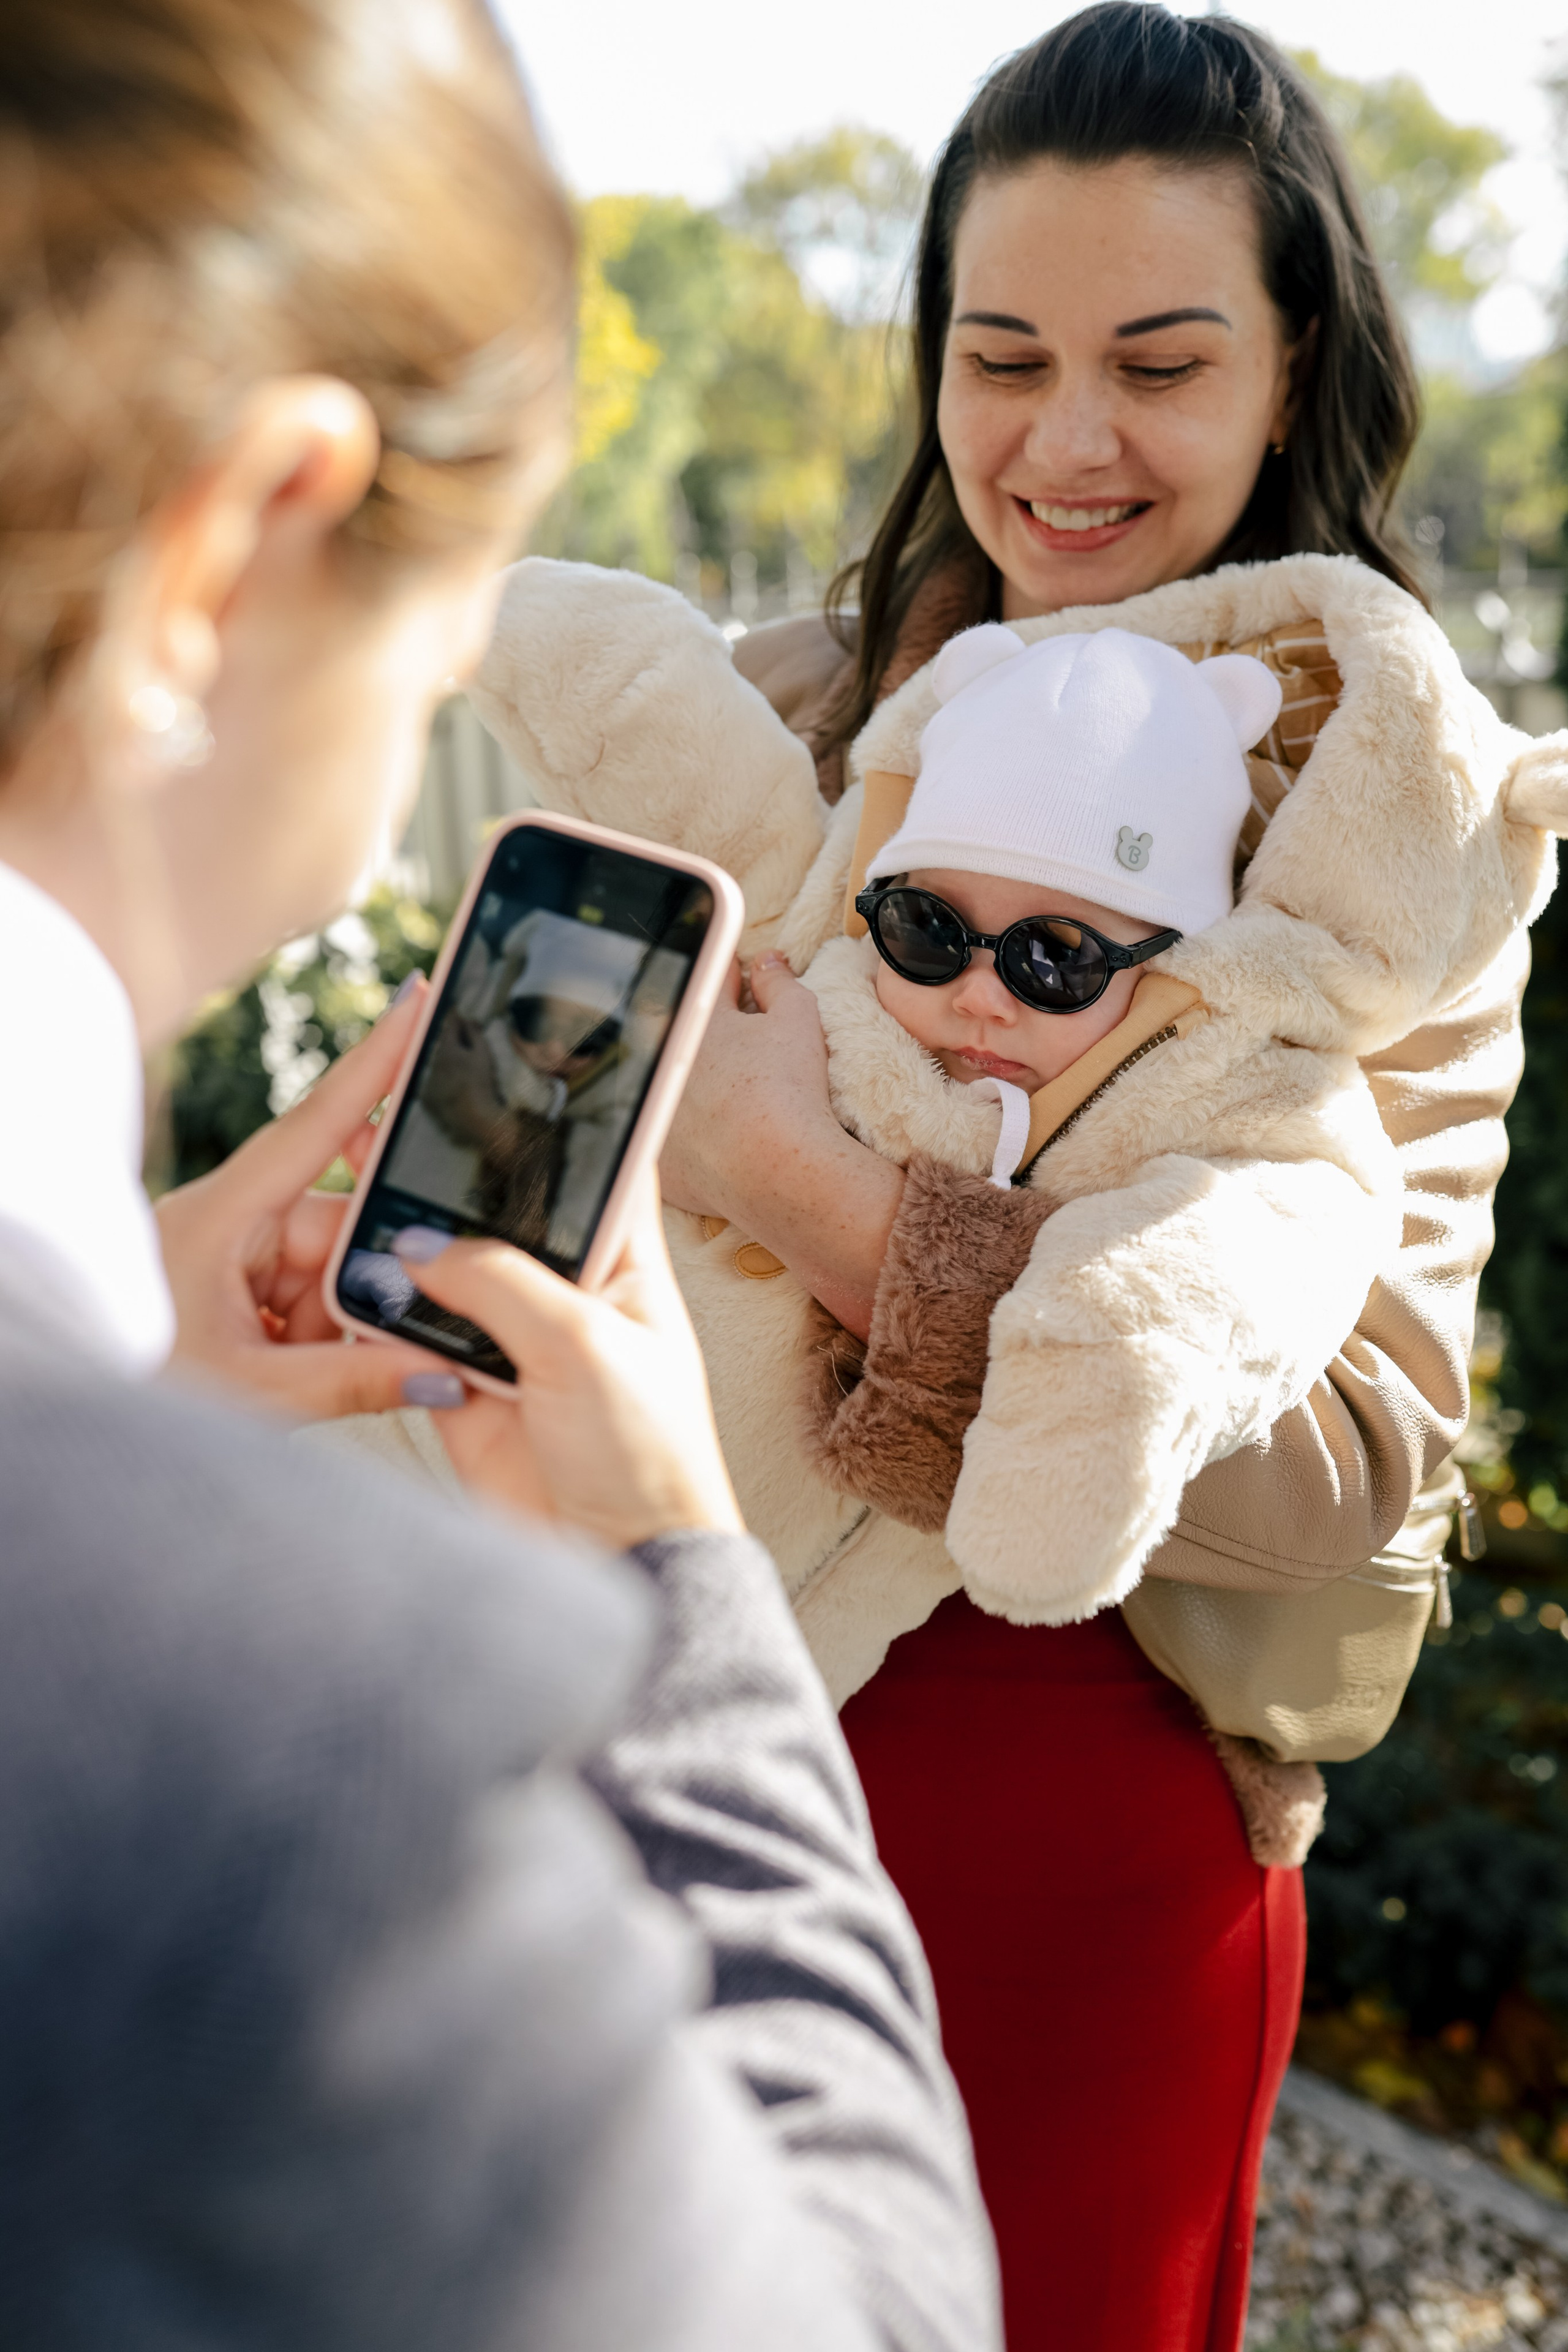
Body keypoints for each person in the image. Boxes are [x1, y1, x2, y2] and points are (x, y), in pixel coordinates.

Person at [0, 6, 999, 2349]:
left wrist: (110, 1353)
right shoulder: (295, 1738)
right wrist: (683, 1606)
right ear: (234, 547)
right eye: (453, 612)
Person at [652, 9, 1531, 2347]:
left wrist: (828, 1195)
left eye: (1157, 361)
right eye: (1000, 353)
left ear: (1294, 358)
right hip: (668, 1758)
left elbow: (1343, 1481)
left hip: (1097, 1839)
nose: (1063, 442)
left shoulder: (1396, 846)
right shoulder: (773, 726)